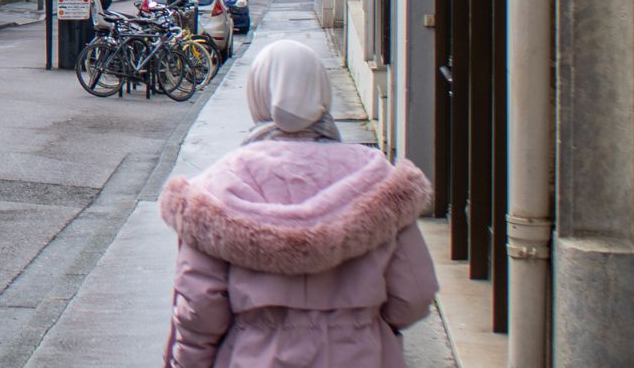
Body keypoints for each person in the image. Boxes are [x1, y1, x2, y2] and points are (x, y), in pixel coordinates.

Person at [159, 38, 438, 367]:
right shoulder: (377, 180)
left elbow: (198, 313)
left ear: (258, 96)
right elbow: (414, 295)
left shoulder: (218, 191)